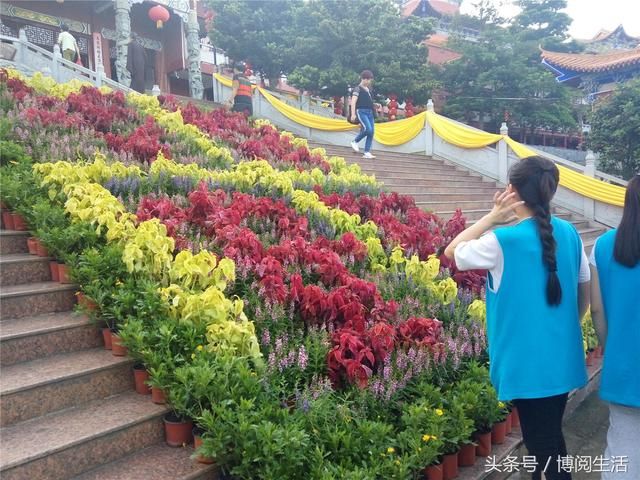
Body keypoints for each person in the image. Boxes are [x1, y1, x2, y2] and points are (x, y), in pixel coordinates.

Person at [444, 156, 590, 480]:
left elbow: (452, 251)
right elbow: (584, 291)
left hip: (527, 368)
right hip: (562, 359)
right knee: (550, 440)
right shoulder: (570, 234)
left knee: (546, 448)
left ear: (512, 191)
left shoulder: (502, 241)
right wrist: (565, 329)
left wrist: (493, 216)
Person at [589, 175, 640, 480]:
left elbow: (596, 309)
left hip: (624, 369)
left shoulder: (604, 245)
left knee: (622, 455)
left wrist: (612, 346)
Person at [350, 70, 376, 159]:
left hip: (370, 112)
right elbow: (353, 102)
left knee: (371, 132)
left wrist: (375, 105)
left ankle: (367, 152)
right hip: (361, 111)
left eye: (369, 80)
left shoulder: (369, 89)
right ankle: (355, 141)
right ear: (362, 79)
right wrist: (353, 114)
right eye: (367, 79)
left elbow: (369, 101)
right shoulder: (357, 88)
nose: (368, 81)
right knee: (368, 129)